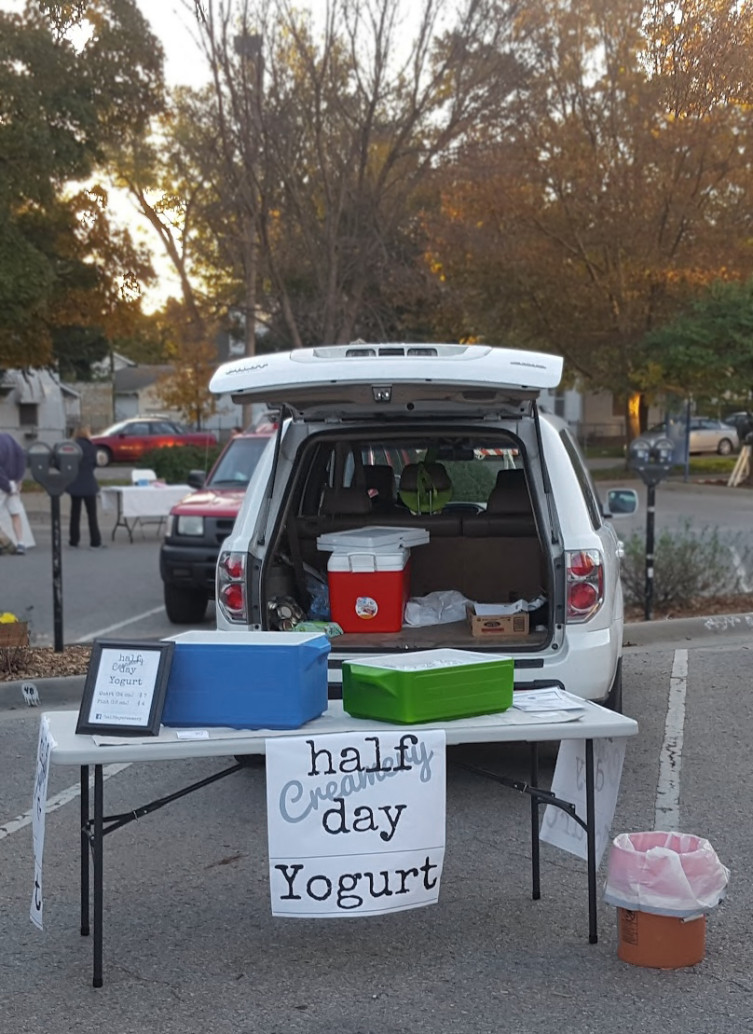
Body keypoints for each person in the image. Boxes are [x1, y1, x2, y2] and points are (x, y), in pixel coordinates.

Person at [66, 426, 103, 549]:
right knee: (92, 514)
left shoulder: (71, 447)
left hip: (75, 483)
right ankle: (95, 540)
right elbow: (95, 463)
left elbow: (62, 463)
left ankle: (74, 539)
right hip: (89, 484)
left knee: (75, 513)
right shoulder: (92, 447)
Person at [0, 432, 28, 555]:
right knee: (15, 513)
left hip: (3, 484)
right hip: (14, 482)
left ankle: (5, 543)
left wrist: (7, 485)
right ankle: (21, 542)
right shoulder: (9, 438)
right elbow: (21, 455)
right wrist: (18, 480)